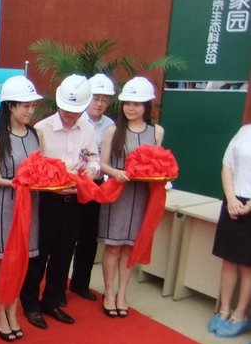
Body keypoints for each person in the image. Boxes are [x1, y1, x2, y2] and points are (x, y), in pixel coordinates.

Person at [20, 74, 99, 329]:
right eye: (66, 109)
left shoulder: (87, 129)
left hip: (74, 200)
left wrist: (92, 171)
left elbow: (94, 159)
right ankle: (30, 303)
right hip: (47, 201)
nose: (70, 114)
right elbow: (32, 167)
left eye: (75, 110)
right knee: (39, 254)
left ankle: (52, 300)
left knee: (64, 253)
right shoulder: (41, 129)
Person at [98, 77, 164, 317]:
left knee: (129, 247)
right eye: (127, 103)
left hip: (142, 196)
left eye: (136, 104)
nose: (130, 108)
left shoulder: (156, 132)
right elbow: (103, 164)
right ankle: (108, 291)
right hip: (117, 195)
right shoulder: (113, 131)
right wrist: (117, 172)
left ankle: (122, 293)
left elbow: (158, 164)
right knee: (113, 247)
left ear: (146, 106)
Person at [0, 76, 41, 342]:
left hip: (31, 204)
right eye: (25, 106)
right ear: (10, 106)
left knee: (22, 260)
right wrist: (13, 183)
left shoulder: (35, 134)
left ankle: (12, 309)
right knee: (4, 260)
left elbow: (41, 167)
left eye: (32, 106)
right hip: (8, 202)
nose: (30, 111)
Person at [69, 74, 116, 302]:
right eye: (96, 98)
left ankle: (80, 283)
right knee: (69, 236)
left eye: (104, 100)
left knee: (89, 237)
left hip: (96, 185)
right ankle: (57, 286)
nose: (99, 103)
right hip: (73, 184)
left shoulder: (110, 126)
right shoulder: (75, 118)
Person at [208, 123, 251, 337]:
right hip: (233, 201)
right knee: (228, 260)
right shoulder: (244, 131)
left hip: (250, 205)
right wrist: (231, 199)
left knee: (247, 265)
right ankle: (224, 310)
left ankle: (240, 314)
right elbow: (227, 165)